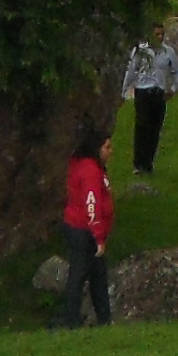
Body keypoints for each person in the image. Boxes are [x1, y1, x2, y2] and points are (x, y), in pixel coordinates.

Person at [54, 131, 115, 330]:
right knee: (79, 274)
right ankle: (71, 320)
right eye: (107, 147)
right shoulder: (90, 171)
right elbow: (92, 204)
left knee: (97, 274)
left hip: (85, 229)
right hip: (83, 230)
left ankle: (104, 319)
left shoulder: (92, 168)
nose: (110, 152)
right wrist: (98, 236)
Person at [121, 31, 178, 178]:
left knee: (155, 129)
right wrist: (123, 91)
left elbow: (177, 71)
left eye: (161, 34)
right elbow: (132, 71)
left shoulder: (168, 52)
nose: (158, 37)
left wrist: (172, 89)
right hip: (142, 92)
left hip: (158, 93)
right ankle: (138, 163)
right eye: (156, 34)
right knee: (142, 127)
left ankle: (148, 163)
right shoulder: (140, 51)